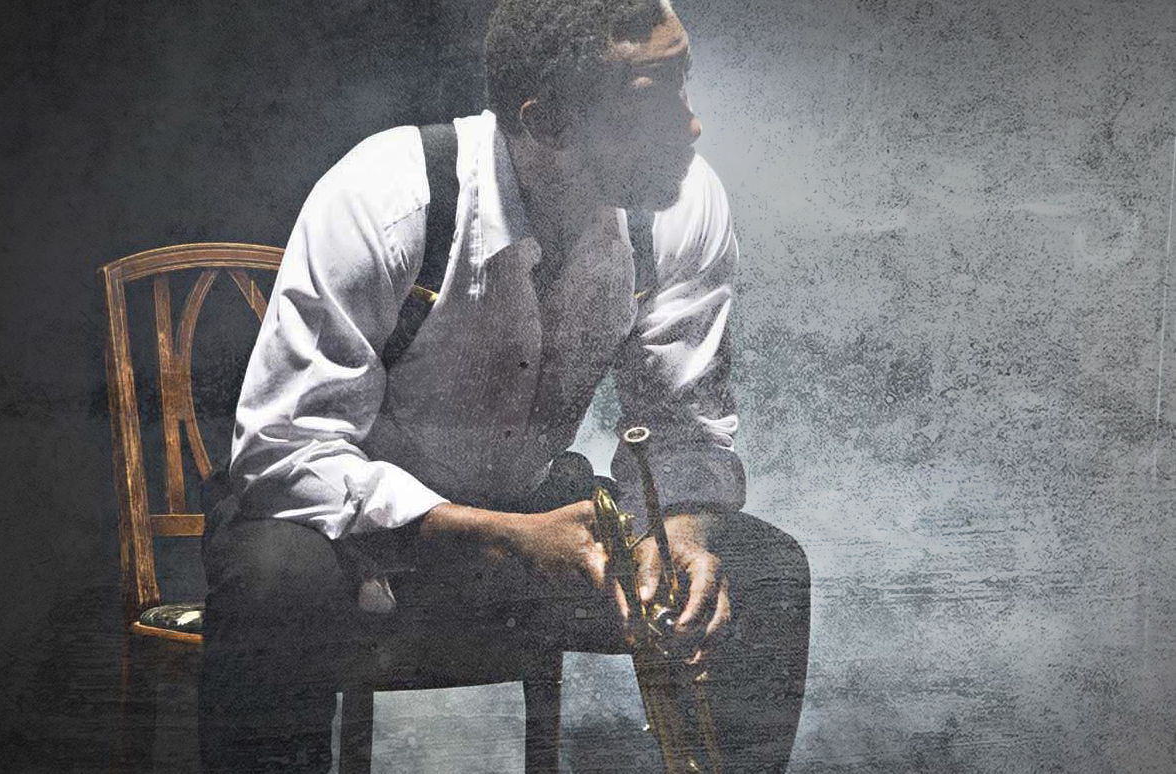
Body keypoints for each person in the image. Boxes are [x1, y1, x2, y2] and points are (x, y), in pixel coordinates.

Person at [199, 1, 810, 771]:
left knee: (762, 572)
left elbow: (683, 428)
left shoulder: (678, 205)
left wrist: (681, 532)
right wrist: (504, 536)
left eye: (682, 83)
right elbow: (282, 455)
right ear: (544, 121)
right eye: (648, 99)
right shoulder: (389, 195)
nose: (689, 126)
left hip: (534, 518)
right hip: (357, 533)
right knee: (272, 580)